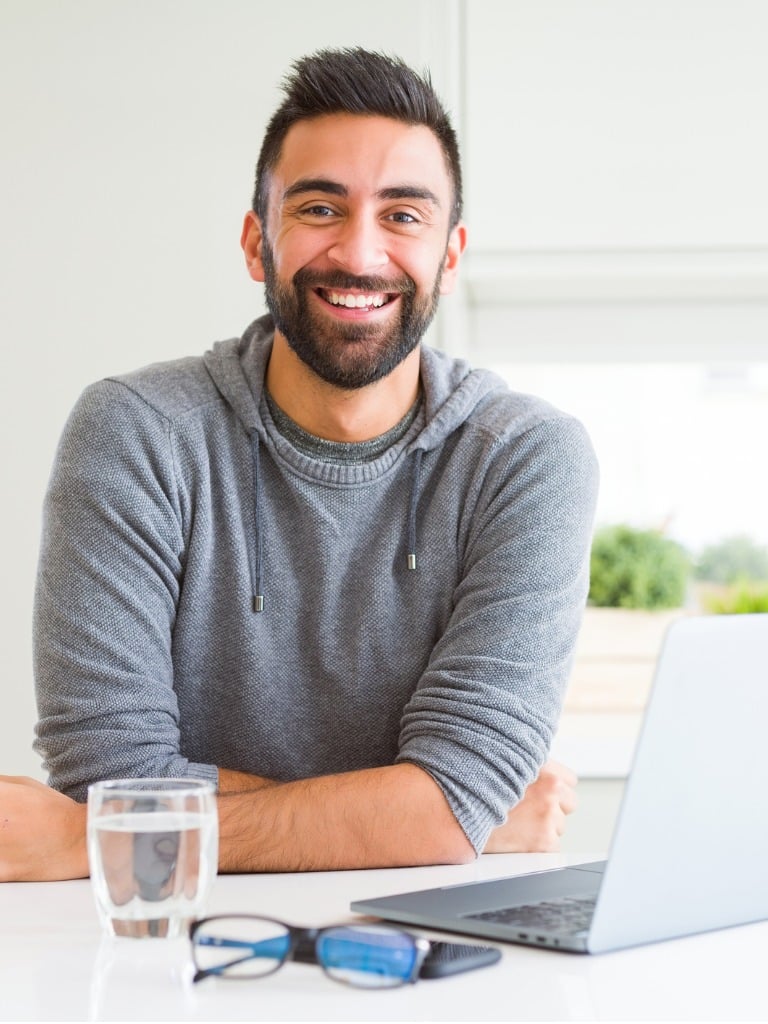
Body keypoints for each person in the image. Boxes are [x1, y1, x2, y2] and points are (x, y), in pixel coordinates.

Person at [0, 48, 597, 883]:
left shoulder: (527, 459)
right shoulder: (135, 433)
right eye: (320, 207)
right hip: (172, 956)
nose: (359, 253)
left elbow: (115, 818)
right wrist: (440, 817)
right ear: (257, 241)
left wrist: (93, 840)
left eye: (403, 215)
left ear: (450, 258)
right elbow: (110, 772)